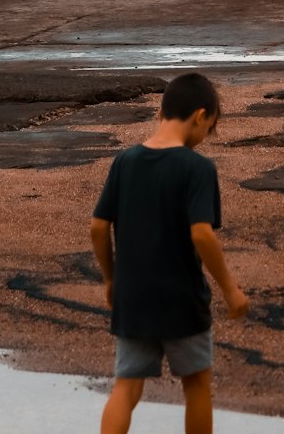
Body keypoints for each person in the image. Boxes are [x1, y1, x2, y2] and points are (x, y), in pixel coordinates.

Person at [90, 71, 250, 434]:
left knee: (126, 387)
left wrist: (112, 279)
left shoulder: (125, 162)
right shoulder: (197, 168)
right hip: (182, 298)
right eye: (208, 128)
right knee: (196, 387)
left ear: (160, 113)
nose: (203, 138)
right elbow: (202, 235)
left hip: (133, 297)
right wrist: (230, 289)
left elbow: (98, 227)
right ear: (200, 116)